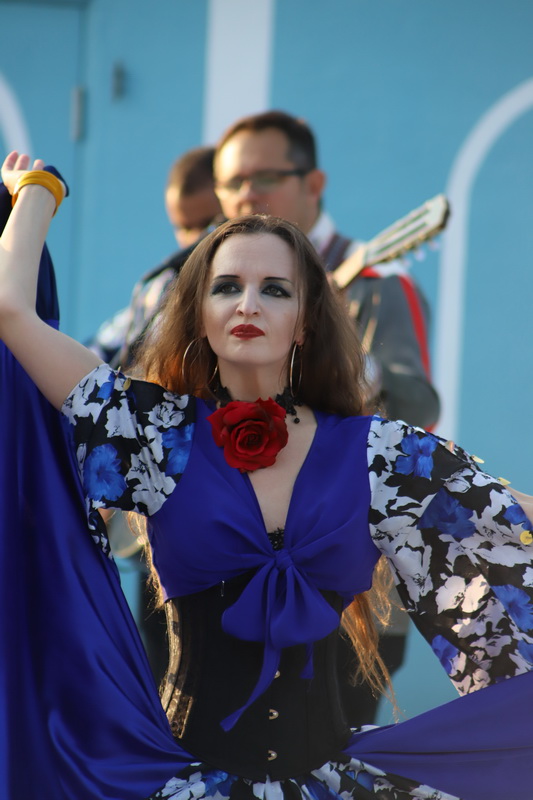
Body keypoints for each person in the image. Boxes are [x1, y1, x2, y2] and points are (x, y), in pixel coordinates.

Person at [2, 152, 533, 800]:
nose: (247, 305)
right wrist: (37, 191)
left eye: (274, 290)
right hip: (178, 781)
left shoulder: (381, 454)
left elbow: (509, 529)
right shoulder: (152, 436)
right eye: (226, 287)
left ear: (304, 320)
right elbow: (11, 312)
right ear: (199, 312)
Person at [88, 145, 222, 367]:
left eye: (207, 224)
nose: (194, 239)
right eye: (184, 228)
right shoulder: (160, 286)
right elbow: (102, 350)